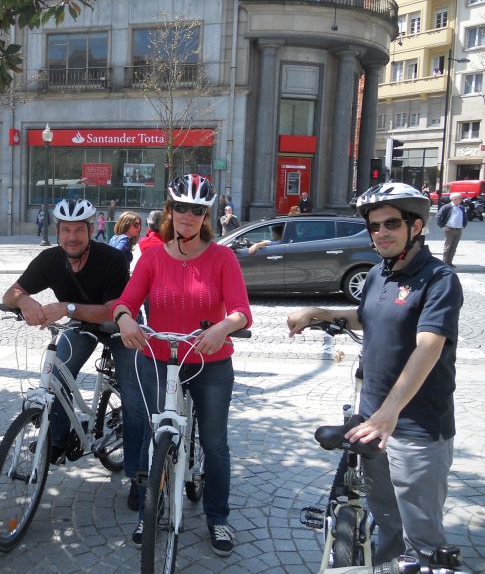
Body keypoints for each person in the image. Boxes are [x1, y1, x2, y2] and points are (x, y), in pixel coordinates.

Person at [287, 182, 462, 562]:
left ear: (416, 227)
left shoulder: (439, 279)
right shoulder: (379, 275)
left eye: (392, 224)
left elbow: (428, 346)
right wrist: (317, 313)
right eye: (375, 225)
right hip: (373, 421)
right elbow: (366, 318)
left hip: (415, 426)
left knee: (423, 539)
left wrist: (389, 413)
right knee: (385, 517)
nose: (381, 232)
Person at [112, 174, 251, 556]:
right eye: (180, 207)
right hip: (159, 359)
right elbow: (125, 300)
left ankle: (217, 518)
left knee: (214, 442)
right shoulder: (153, 257)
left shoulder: (222, 257)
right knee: (152, 435)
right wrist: (125, 318)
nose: (187, 216)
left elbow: (242, 312)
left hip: (210, 363)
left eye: (196, 209)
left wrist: (223, 327)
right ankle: (148, 508)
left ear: (205, 215)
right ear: (169, 210)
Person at [1, 198, 147, 511]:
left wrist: (65, 308)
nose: (71, 237)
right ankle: (57, 440)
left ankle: (139, 476)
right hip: (82, 323)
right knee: (55, 371)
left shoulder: (112, 258)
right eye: (65, 230)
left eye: (78, 230)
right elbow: (11, 293)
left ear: (91, 230)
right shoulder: (51, 259)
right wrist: (24, 301)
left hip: (122, 326)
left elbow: (113, 309)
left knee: (135, 400)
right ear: (57, 231)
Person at [435, 192, 467, 267]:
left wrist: (463, 225)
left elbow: (465, 218)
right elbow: (438, 217)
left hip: (458, 230)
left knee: (454, 247)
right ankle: (445, 263)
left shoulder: (461, 208)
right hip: (449, 229)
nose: (461, 199)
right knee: (448, 247)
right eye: (460, 198)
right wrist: (442, 226)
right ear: (454, 199)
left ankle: (449, 262)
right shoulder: (446, 207)